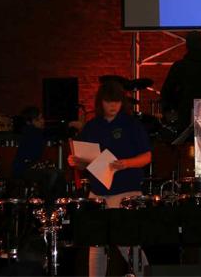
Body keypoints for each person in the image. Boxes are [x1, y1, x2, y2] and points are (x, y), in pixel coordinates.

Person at [68, 81, 151, 277]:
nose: (113, 106)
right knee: (96, 243)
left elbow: (147, 156)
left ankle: (145, 275)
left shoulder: (131, 124)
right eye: (108, 101)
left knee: (127, 241)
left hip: (125, 188)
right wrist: (76, 162)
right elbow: (86, 161)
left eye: (117, 101)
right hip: (98, 190)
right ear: (101, 103)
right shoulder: (92, 126)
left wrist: (126, 163)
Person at [12, 106, 45, 178]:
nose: (42, 121)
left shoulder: (27, 131)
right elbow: (32, 158)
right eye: (38, 119)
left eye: (42, 118)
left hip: (21, 168)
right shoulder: (34, 133)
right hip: (24, 169)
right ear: (30, 122)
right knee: (54, 174)